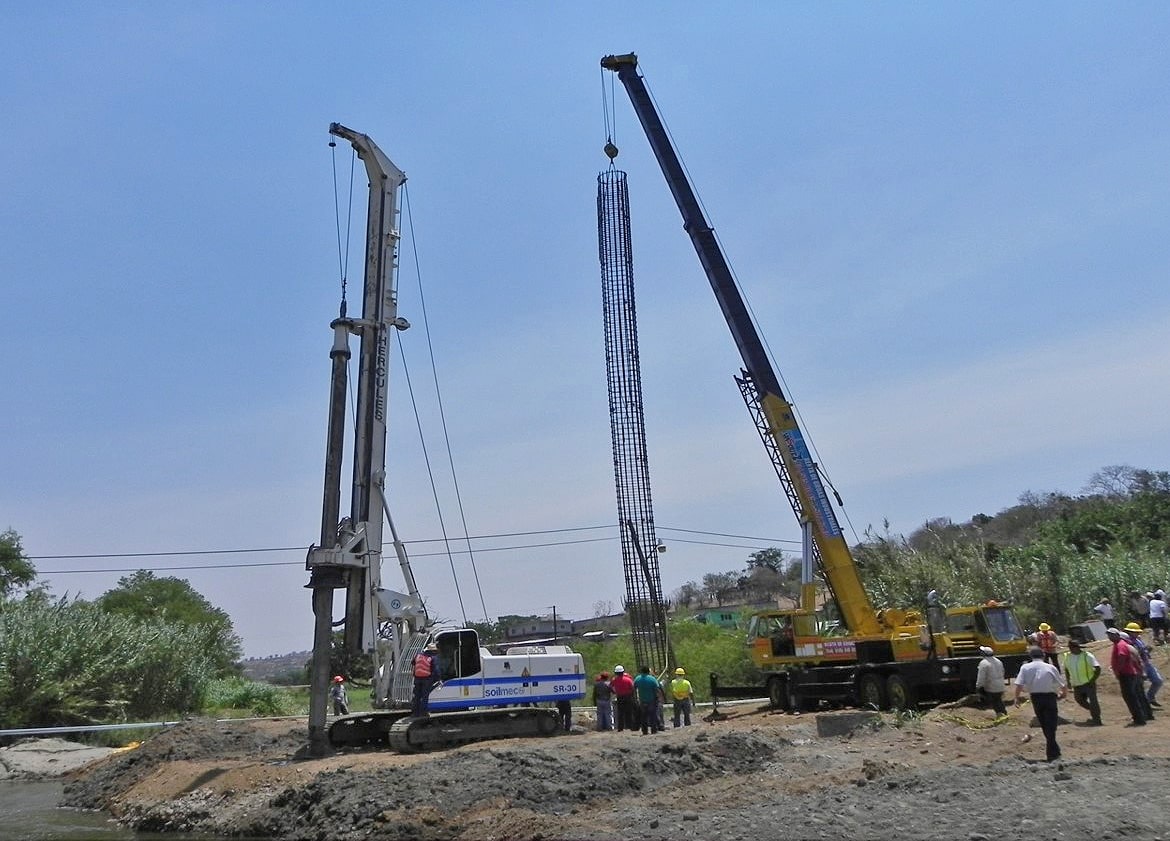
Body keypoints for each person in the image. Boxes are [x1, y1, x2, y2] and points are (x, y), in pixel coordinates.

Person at [1013, 646, 1067, 762]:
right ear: (1043, 656)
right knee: (1051, 725)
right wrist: (1063, 694)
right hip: (1050, 697)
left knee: (1044, 724)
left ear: (1031, 656)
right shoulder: (1050, 667)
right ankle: (1053, 753)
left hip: (1036, 698)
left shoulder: (1025, 667)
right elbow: (1062, 684)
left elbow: (1019, 684)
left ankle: (1054, 752)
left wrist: (1016, 698)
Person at [1106, 626, 1147, 726]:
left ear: (1116, 635)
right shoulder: (1118, 644)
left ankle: (1139, 719)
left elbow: (1122, 656)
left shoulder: (1120, 644)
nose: (1109, 637)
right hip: (1127, 674)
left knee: (1130, 697)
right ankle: (1139, 718)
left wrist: (1117, 670)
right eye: (1108, 635)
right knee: (1131, 696)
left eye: (1111, 635)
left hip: (1126, 674)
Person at [1124, 623, 1162, 713]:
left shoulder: (1138, 640)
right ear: (1129, 632)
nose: (1137, 633)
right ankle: (1143, 703)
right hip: (1139, 665)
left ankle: (1150, 698)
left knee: (1158, 681)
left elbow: (1142, 651)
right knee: (1140, 685)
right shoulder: (1128, 642)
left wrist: (1147, 650)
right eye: (1135, 632)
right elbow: (1134, 654)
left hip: (1147, 663)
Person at [1063, 639, 1102, 725]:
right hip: (1077, 684)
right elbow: (1066, 668)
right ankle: (1094, 710)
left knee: (1093, 701)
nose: (1070, 649)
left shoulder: (1087, 656)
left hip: (1088, 683)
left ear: (1076, 647)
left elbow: (1098, 668)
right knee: (1079, 700)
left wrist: (1092, 680)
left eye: (1071, 647)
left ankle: (1097, 720)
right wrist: (1068, 681)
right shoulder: (1067, 656)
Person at [974, 646, 1007, 717]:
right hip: (1001, 684)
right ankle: (1003, 714)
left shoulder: (983, 663)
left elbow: (981, 677)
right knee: (999, 700)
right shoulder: (998, 661)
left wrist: (978, 686)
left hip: (991, 686)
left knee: (995, 701)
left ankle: (1000, 715)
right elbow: (1003, 672)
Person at [411, 643, 440, 717]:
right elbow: (436, 669)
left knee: (417, 695)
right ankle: (423, 712)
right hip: (426, 679)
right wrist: (437, 678)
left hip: (417, 678)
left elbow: (413, 662)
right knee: (425, 696)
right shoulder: (432, 657)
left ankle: (415, 713)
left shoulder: (418, 655)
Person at [633, 665, 663, 734]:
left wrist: (635, 698)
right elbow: (657, 689)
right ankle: (654, 730)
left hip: (642, 700)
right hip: (652, 700)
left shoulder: (638, 679)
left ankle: (645, 731)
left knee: (644, 716)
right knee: (653, 716)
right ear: (648, 671)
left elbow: (634, 688)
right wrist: (659, 698)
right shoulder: (652, 679)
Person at [610, 665, 637, 732]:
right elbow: (633, 688)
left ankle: (620, 728)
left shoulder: (614, 680)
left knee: (620, 713)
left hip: (619, 697)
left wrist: (614, 692)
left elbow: (610, 687)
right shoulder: (628, 680)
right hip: (628, 697)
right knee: (629, 712)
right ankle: (630, 726)